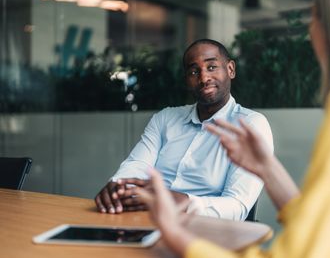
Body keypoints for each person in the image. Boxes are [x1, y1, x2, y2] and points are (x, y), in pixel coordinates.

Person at [136, 0, 330, 257]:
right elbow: (323, 230)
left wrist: (175, 233)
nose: (310, 29)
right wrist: (267, 169)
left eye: (314, 15)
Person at [94, 39, 274, 221]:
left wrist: (186, 202)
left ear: (230, 69)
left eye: (211, 67)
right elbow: (137, 164)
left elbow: (238, 206)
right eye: (194, 71)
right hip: (145, 222)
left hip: (204, 233)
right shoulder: (165, 119)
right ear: (187, 79)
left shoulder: (250, 125)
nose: (204, 78)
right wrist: (119, 186)